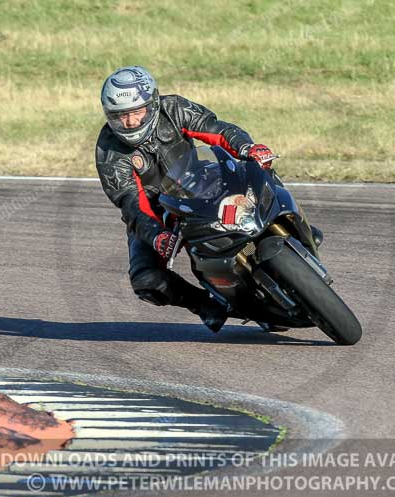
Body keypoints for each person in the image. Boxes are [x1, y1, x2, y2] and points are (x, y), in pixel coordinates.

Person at [95, 66, 276, 333]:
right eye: (120, 116)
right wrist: (157, 235)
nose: (130, 122)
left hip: (203, 181)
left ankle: (286, 221)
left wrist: (247, 147)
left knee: (257, 172)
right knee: (146, 279)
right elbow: (132, 203)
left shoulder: (175, 108)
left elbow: (215, 130)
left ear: (152, 103)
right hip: (159, 211)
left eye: (136, 112)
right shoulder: (109, 150)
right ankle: (206, 305)